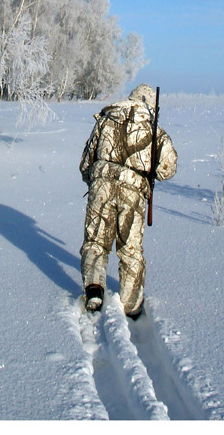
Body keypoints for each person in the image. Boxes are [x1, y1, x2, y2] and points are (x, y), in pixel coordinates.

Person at [79, 84, 177, 317]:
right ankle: (131, 306)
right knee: (130, 249)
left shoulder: (105, 119)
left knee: (96, 241)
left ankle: (94, 291)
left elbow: (86, 162)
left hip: (101, 184)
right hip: (133, 192)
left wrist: (93, 180)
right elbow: (168, 168)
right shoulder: (155, 131)